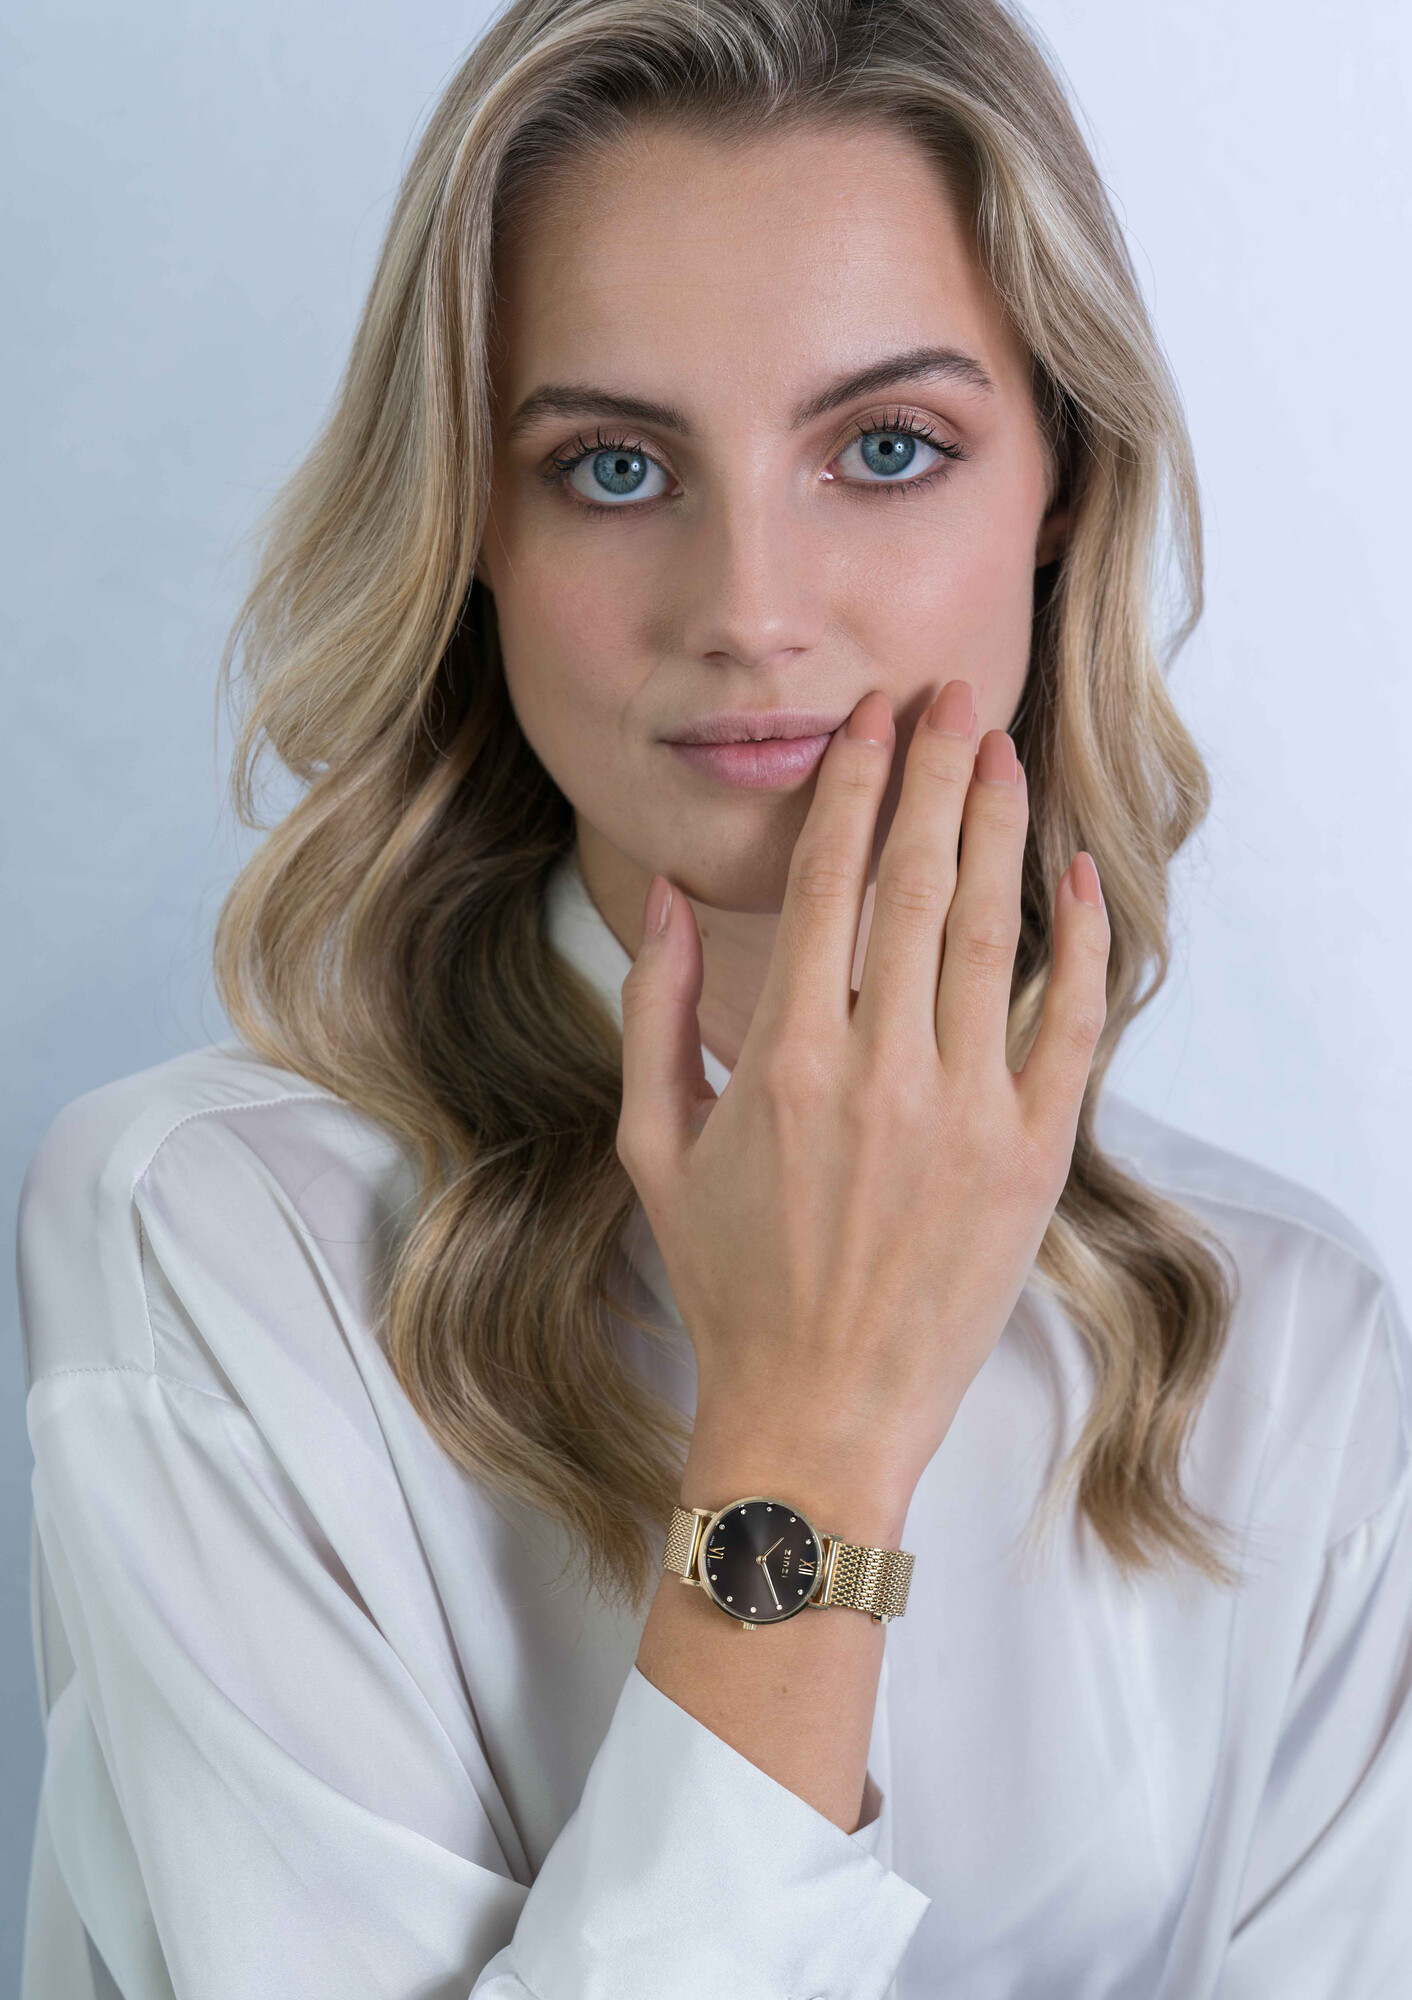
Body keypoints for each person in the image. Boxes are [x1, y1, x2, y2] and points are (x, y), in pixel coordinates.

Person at [16, 0, 1411, 1993]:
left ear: (1063, 490)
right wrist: (808, 1439)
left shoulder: (1289, 1340)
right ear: (471, 527)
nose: (750, 609)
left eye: (887, 448)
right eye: (610, 466)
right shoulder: (219, 1240)